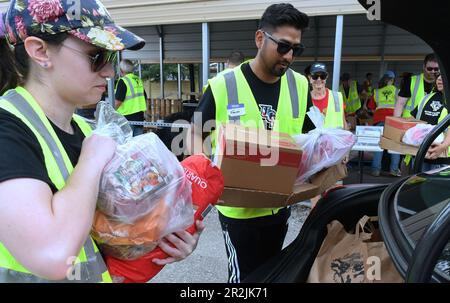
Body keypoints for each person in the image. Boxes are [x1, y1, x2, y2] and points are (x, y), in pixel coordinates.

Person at [0, 0, 203, 283]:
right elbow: (53, 255)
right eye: (97, 56)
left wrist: (165, 233)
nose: (108, 72)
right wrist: (92, 159)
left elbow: (107, 235)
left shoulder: (86, 129)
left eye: (113, 58)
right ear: (40, 51)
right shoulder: (8, 130)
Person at [189, 3, 313, 283]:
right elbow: (195, 133)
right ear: (260, 39)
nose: (289, 56)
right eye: (283, 46)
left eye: (296, 49)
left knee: (271, 274)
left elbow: (307, 135)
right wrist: (206, 177)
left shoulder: (300, 85)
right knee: (244, 278)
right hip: (237, 211)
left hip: (279, 206)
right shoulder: (223, 85)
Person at [367, 71, 401, 177]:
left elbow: (371, 107)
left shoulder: (377, 92)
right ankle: (394, 170)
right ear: (393, 80)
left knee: (379, 146)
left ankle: (375, 170)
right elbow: (402, 105)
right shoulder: (397, 91)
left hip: (379, 120)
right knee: (394, 146)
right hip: (393, 121)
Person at [411, 74, 449, 171]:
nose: (440, 78)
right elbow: (412, 120)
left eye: (443, 75)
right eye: (438, 76)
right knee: (418, 186)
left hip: (442, 158)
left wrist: (444, 146)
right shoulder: (426, 98)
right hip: (420, 155)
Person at [394, 53, 440, 118]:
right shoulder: (410, 81)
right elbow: (400, 103)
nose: (433, 71)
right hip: (410, 123)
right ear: (424, 67)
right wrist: (396, 121)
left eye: (436, 69)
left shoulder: (443, 84)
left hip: (432, 125)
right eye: (429, 68)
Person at [115, 59, 148, 136]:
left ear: (121, 70)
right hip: (139, 117)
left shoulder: (123, 81)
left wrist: (111, 112)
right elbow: (144, 97)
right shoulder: (138, 79)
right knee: (136, 143)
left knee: (126, 144)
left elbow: (118, 101)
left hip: (126, 118)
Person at [308, 62, 347, 129]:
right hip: (312, 139)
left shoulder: (337, 97)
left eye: (322, 76)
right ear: (310, 78)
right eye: (315, 76)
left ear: (326, 77)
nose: (319, 79)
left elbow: (344, 123)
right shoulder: (305, 99)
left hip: (334, 139)